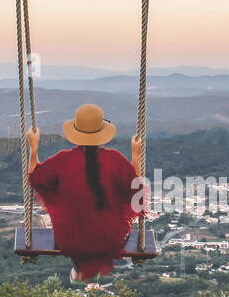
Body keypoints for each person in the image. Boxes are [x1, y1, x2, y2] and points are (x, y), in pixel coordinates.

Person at [27, 103, 144, 281]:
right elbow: (136, 190)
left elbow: (35, 178)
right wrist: (136, 154)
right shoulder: (115, 160)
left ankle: (80, 267)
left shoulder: (62, 160)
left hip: (69, 241)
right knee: (100, 230)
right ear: (102, 131)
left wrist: (33, 147)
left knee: (75, 228)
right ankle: (87, 267)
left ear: (75, 131)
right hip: (110, 240)